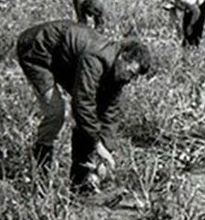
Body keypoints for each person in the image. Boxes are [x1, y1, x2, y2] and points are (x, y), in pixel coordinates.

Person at [16, 20, 152, 192]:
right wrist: (98, 147)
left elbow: (110, 113)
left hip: (63, 60)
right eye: (130, 73)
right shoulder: (94, 58)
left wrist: (105, 151)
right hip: (36, 50)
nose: (129, 79)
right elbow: (82, 104)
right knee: (57, 112)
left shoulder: (119, 73)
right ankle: (39, 174)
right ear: (122, 57)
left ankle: (79, 183)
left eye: (134, 77)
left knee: (87, 121)